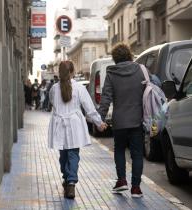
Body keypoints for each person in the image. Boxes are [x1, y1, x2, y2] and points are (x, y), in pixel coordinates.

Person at [48, 61, 107, 199]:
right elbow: (89, 108)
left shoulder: (53, 89)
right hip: (74, 125)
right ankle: (71, 182)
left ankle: (67, 178)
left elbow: (52, 102)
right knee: (73, 154)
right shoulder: (79, 88)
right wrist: (99, 122)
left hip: (59, 125)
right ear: (72, 72)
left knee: (63, 155)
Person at [98, 43, 145, 198]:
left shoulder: (111, 74)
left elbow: (105, 98)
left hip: (119, 122)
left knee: (119, 151)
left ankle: (122, 181)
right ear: (129, 55)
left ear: (115, 58)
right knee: (137, 154)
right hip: (137, 120)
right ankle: (136, 188)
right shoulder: (140, 70)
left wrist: (100, 119)